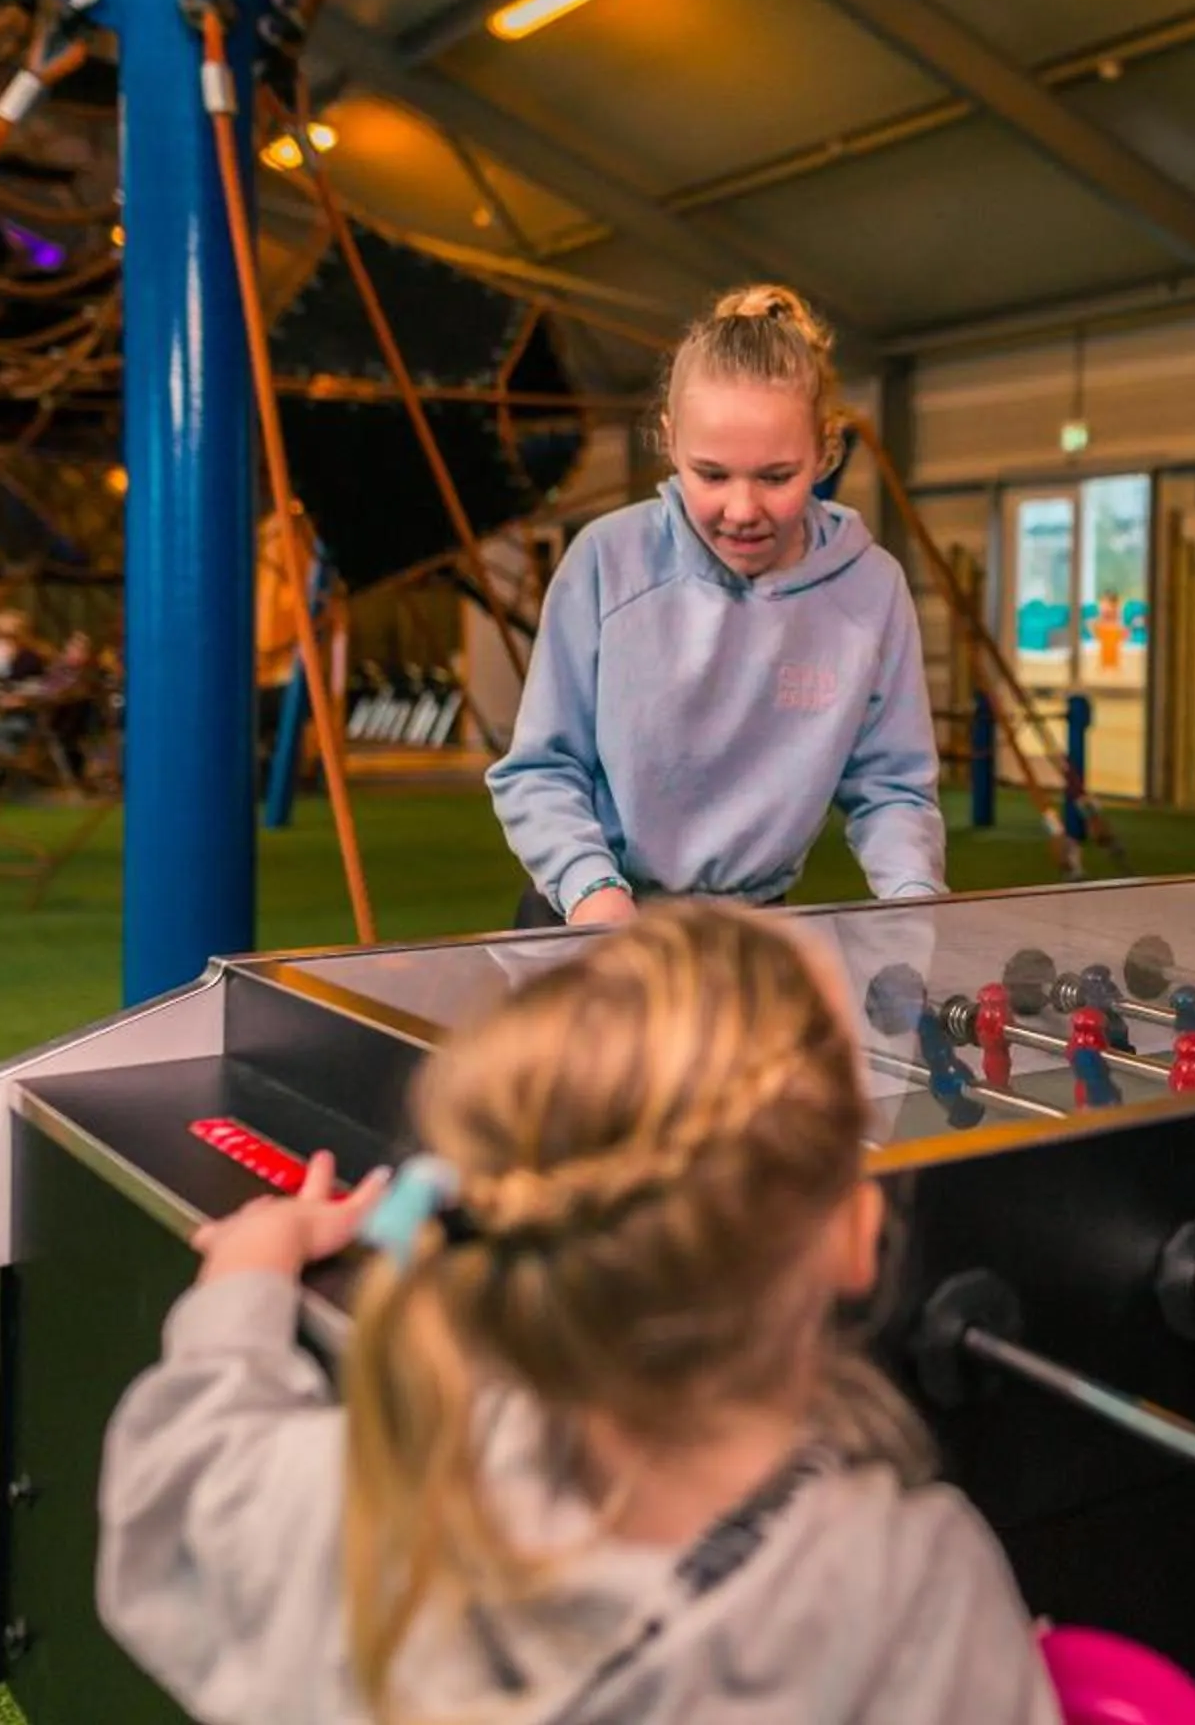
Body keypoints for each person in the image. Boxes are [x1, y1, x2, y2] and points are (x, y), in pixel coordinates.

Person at [96, 902, 1061, 1725]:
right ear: (854, 1230)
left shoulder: (356, 1496)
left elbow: (182, 1474)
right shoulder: (905, 1589)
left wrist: (250, 1269)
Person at [489, 286, 945, 926]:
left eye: (776, 476)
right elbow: (541, 766)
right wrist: (591, 890)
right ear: (670, 443)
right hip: (594, 911)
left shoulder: (871, 588)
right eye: (712, 474)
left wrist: (914, 904)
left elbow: (892, 788)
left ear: (825, 449)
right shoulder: (606, 561)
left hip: (752, 925)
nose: (742, 510)